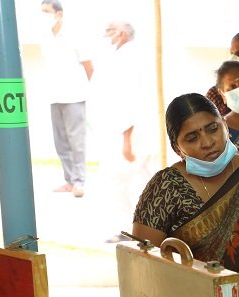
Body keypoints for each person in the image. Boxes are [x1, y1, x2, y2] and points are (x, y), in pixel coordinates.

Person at [132, 93, 239, 282]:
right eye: (192, 138)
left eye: (213, 129)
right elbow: (141, 265)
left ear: (225, 126)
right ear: (177, 148)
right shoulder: (164, 188)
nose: (207, 142)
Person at [91, 21, 153, 243]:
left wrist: (127, 140)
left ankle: (131, 230)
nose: (106, 35)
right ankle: (150, 229)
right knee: (146, 180)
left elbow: (128, 101)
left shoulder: (129, 57)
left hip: (131, 132)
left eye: (110, 31)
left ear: (122, 33)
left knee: (117, 180)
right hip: (130, 131)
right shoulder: (122, 55)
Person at [40, 0, 93, 198]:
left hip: (74, 96)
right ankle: (69, 181)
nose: (43, 16)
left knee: (76, 141)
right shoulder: (45, 38)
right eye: (42, 12)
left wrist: (89, 91)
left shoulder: (74, 35)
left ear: (59, 13)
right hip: (54, 96)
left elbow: (89, 66)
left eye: (47, 11)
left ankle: (79, 182)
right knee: (60, 142)